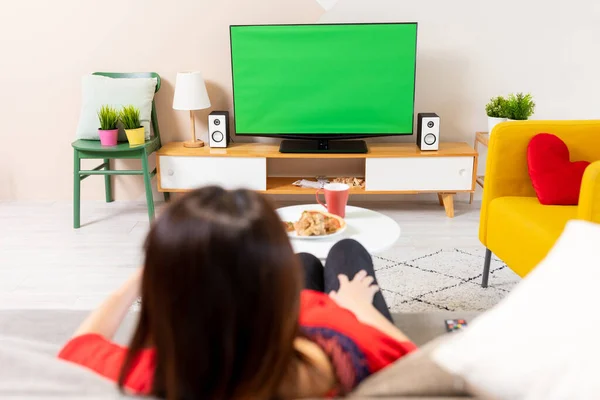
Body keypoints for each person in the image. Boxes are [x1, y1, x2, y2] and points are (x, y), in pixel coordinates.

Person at [58, 187, 416, 399]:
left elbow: (81, 345)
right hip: (327, 322)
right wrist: (357, 309)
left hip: (284, 323)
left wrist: (147, 274)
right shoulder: (322, 369)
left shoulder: (162, 373)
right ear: (273, 289)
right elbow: (413, 360)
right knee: (346, 250)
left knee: (305, 258)